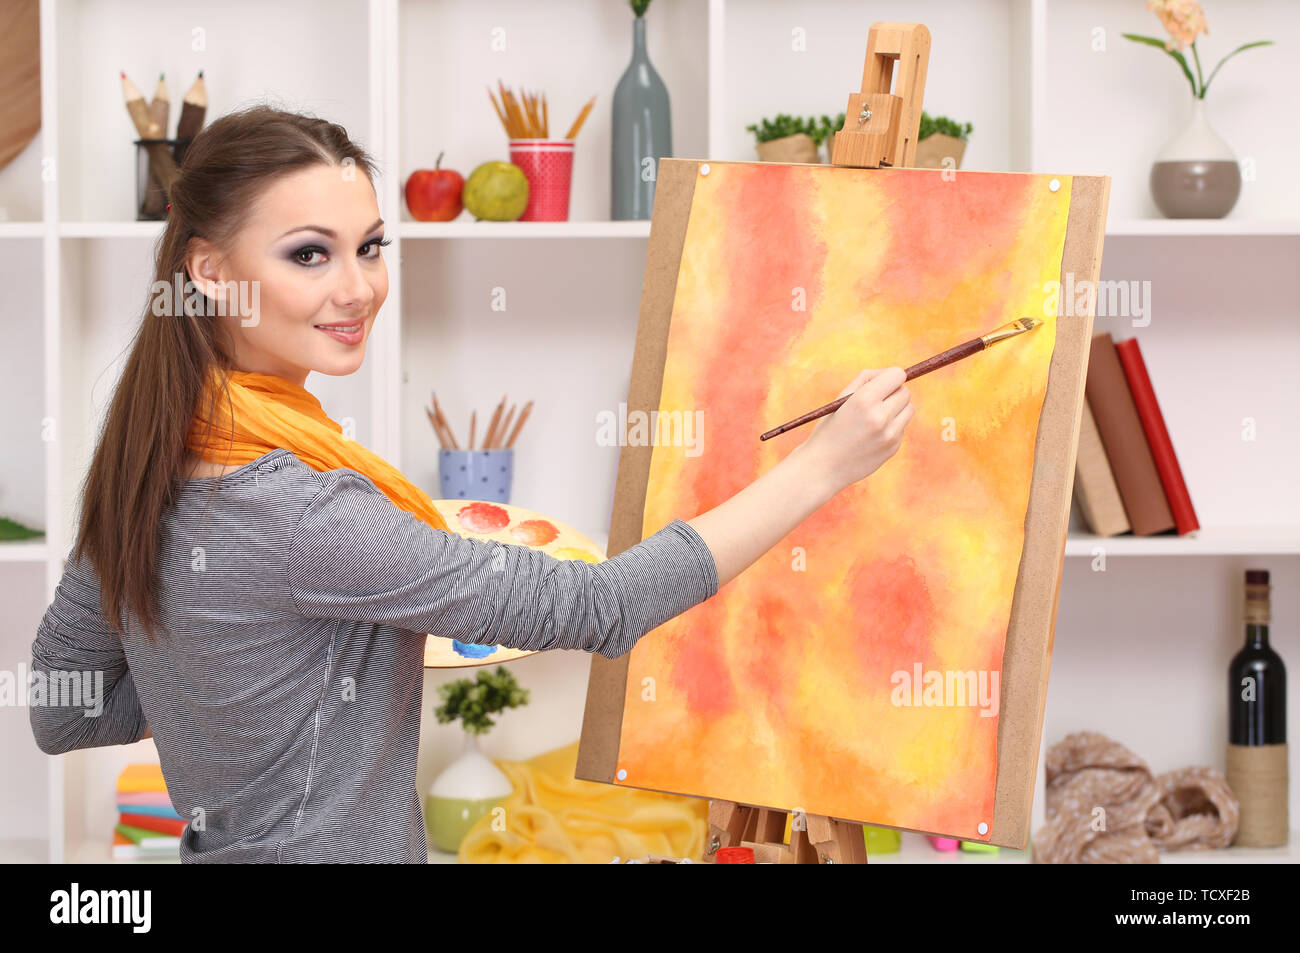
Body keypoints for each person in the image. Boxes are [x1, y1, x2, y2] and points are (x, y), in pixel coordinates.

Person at [28, 104, 913, 863]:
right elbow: (598, 607)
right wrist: (824, 465)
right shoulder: (303, 510)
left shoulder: (148, 466)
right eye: (309, 255)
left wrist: (229, 682)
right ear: (211, 273)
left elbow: (60, 711)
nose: (358, 287)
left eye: (371, 247)